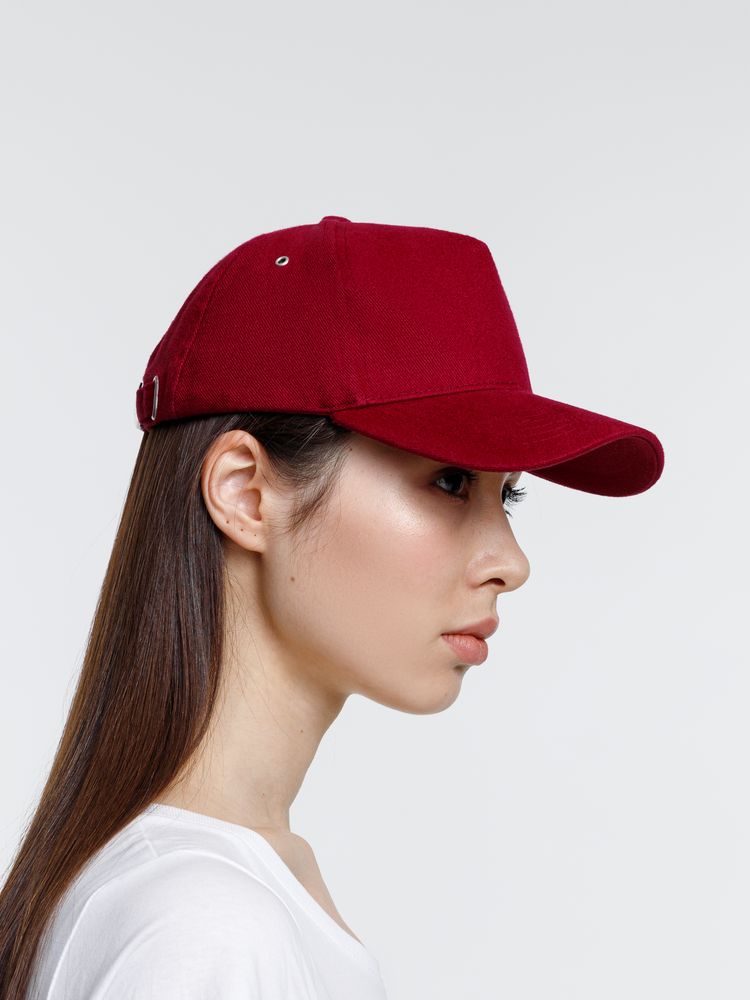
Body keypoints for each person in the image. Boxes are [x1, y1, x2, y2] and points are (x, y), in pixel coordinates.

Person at [0, 215, 664, 999]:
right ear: (246, 494)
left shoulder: (225, 882)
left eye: (507, 496)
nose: (511, 563)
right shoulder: (208, 925)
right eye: (451, 482)